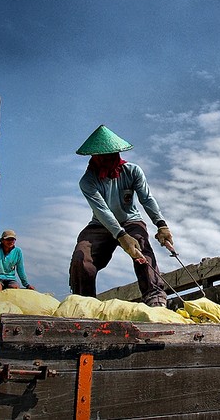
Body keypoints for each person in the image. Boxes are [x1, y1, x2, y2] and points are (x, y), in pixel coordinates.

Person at [69, 125, 174, 307]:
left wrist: (161, 224)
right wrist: (121, 236)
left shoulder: (132, 171)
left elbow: (147, 199)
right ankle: (83, 303)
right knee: (81, 255)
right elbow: (102, 210)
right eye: (103, 156)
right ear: (95, 157)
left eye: (112, 154)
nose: (109, 158)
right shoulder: (87, 181)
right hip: (100, 224)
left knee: (141, 245)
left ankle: (155, 297)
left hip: (130, 220)